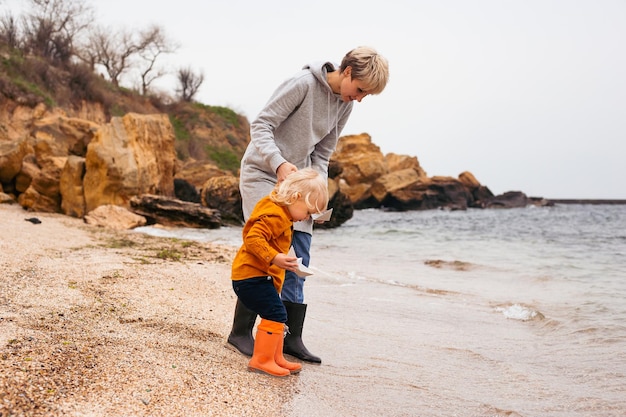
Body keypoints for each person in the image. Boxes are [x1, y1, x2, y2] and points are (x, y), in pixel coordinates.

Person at [227, 46, 390, 363]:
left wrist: (318, 194)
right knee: (269, 248)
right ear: (346, 72)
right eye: (360, 90)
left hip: (298, 184)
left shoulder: (344, 105)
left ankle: (290, 338)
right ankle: (240, 333)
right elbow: (261, 125)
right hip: (263, 172)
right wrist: (278, 165)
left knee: (299, 253)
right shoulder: (302, 84)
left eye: (366, 95)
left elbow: (322, 154)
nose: (359, 98)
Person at [231, 168, 329, 377]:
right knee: (276, 314)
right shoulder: (275, 214)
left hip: (258, 276)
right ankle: (261, 360)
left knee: (278, 314)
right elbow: (253, 238)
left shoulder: (282, 210)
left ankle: (275, 357)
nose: (306, 218)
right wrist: (274, 257)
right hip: (251, 277)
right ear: (295, 197)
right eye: (308, 212)